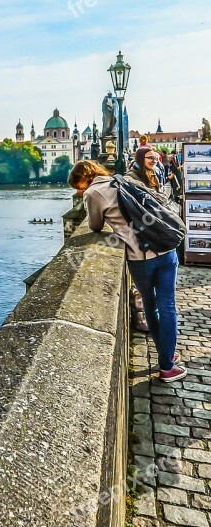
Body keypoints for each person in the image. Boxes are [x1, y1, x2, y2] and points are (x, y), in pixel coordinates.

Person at [68, 151, 185, 382]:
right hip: (166, 248)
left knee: (150, 306)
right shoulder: (124, 179)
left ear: (84, 179)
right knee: (169, 306)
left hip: (141, 258)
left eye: (78, 185)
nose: (78, 190)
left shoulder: (93, 193)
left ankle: (166, 362)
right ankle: (167, 360)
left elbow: (94, 225)